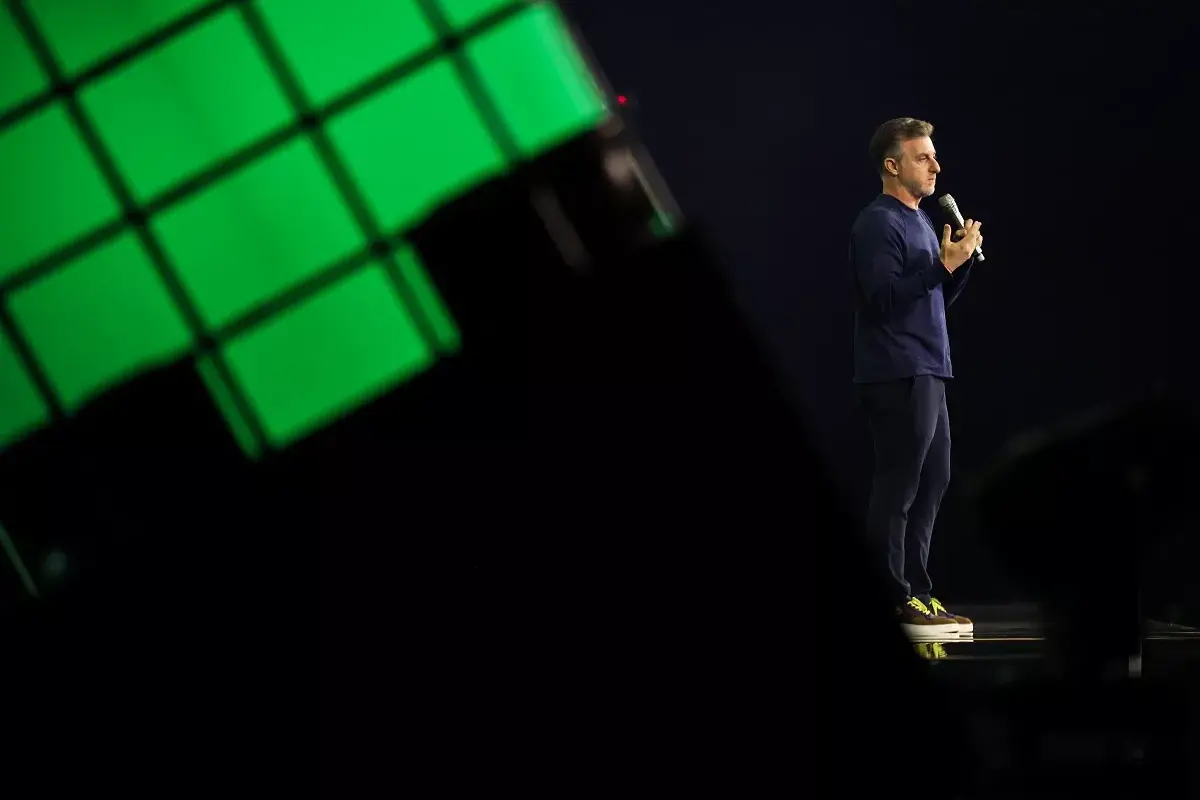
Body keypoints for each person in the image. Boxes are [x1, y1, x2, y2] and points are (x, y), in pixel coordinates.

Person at [850, 118, 983, 640]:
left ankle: (919, 593)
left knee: (934, 479)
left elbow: (931, 300)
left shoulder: (923, 221)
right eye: (923, 157)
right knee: (899, 484)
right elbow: (883, 300)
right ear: (893, 165)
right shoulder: (878, 223)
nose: (935, 166)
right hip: (896, 370)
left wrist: (959, 264)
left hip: (929, 366)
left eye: (933, 156)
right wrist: (941, 269)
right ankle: (892, 596)